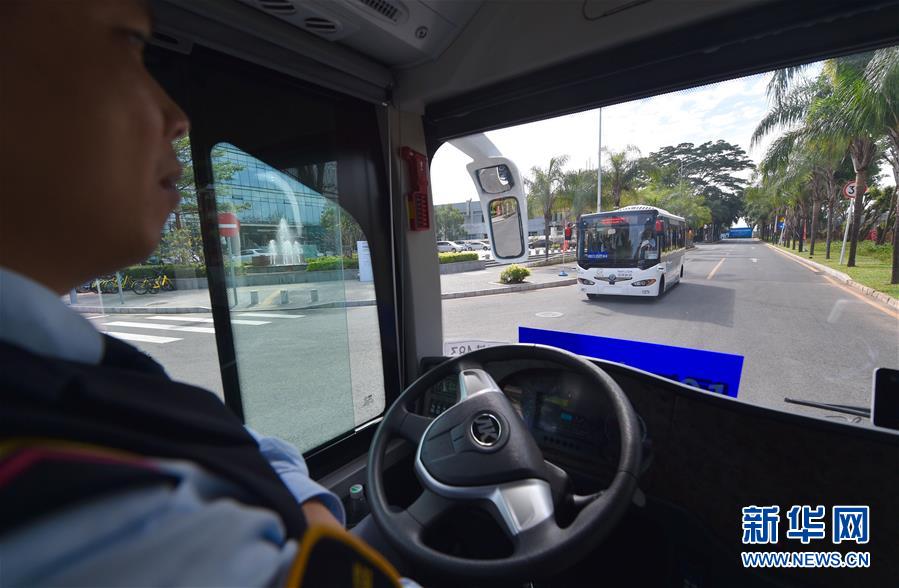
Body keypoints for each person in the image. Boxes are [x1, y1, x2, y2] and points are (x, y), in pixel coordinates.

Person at [0, 1, 408, 586]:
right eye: (131, 46)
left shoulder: (66, 373)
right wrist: (314, 521)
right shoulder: (97, 510)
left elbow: (232, 439)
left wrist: (308, 511)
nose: (178, 117)